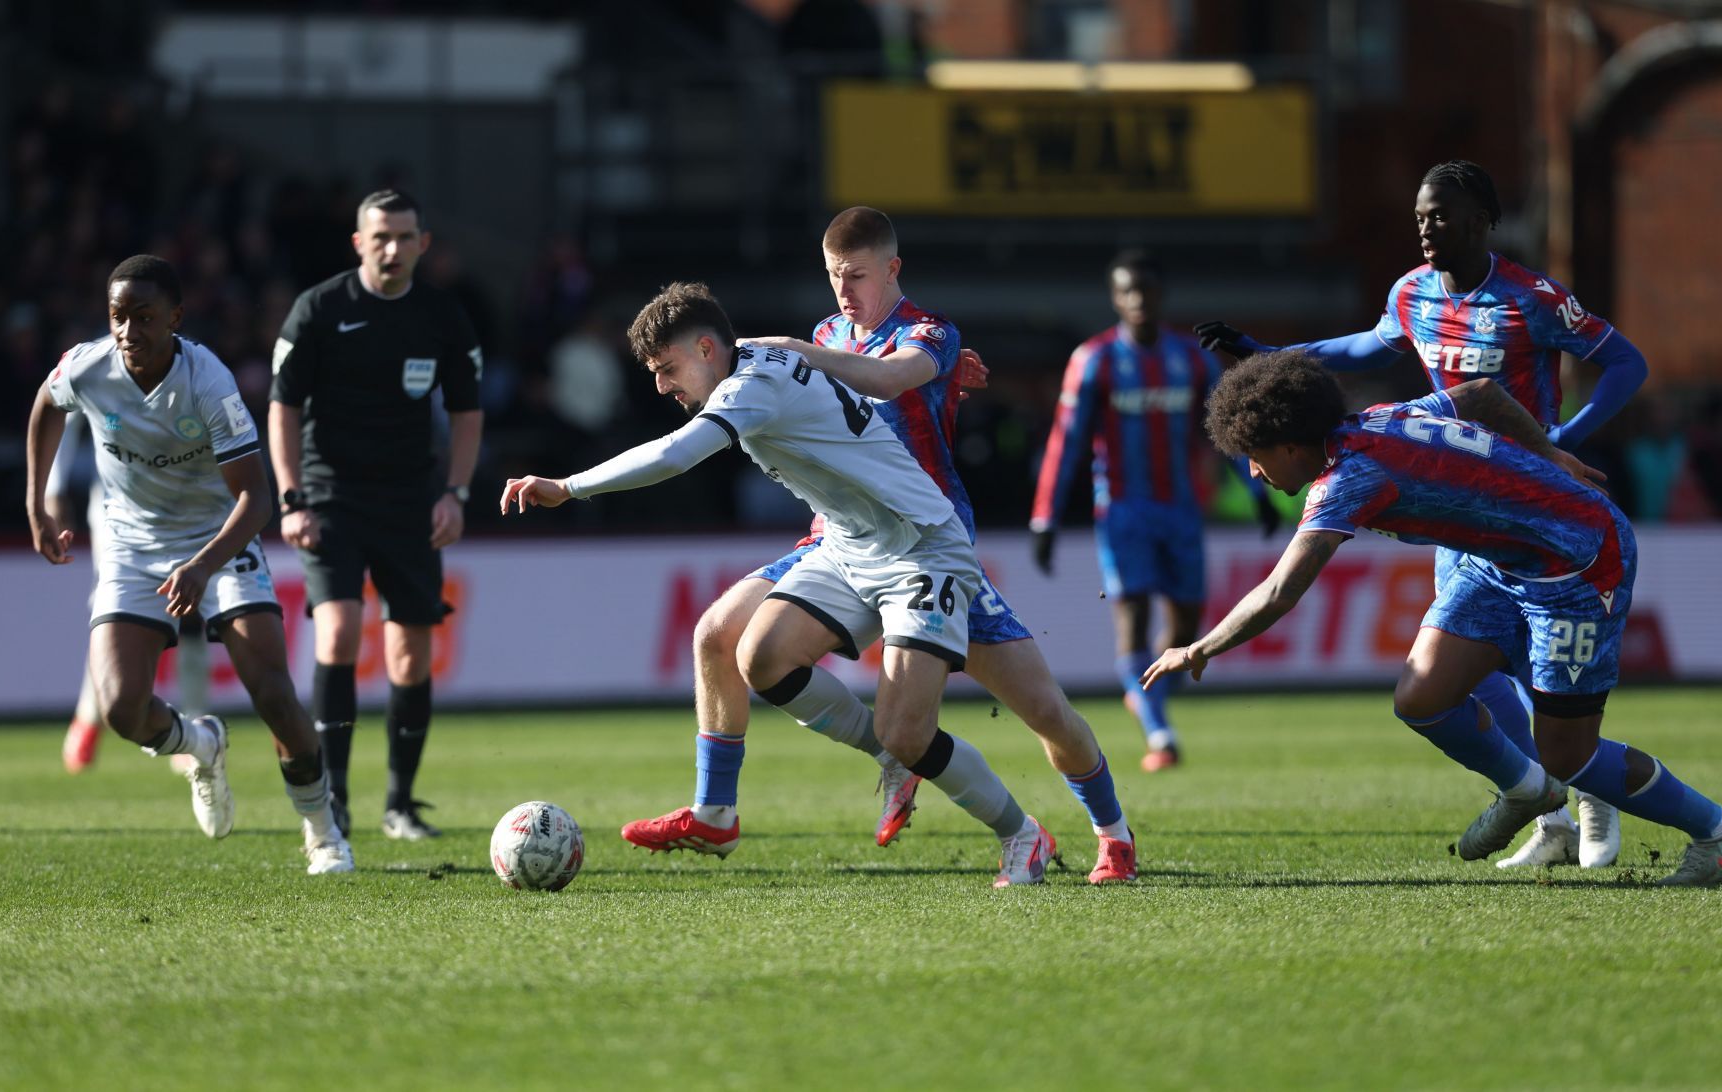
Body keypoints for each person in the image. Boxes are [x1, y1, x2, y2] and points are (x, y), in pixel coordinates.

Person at [620, 208, 1136, 885]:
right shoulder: (829, 333)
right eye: (834, 276)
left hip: (926, 545)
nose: (844, 291)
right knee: (723, 635)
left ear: (892, 269)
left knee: (1044, 711)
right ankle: (718, 811)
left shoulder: (930, 333)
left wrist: (806, 351)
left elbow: (891, 379)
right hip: (841, 537)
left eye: (857, 275)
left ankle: (1113, 834)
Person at [505, 282, 1060, 887]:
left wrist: (568, 486)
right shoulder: (747, 357)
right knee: (758, 656)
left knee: (906, 731)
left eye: (668, 369)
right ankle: (734, 808)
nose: (663, 387)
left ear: (708, 348)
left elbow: (673, 457)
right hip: (850, 543)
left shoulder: (750, 388)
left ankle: (1022, 834)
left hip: (922, 547)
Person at [1141, 351, 1722, 886]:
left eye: (1255, 456)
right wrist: (1549, 453)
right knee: (1422, 696)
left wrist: (1198, 649)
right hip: (1499, 564)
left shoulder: (1348, 477)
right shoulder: (1383, 417)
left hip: (1578, 564)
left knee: (1570, 752)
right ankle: (1528, 790)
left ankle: (1719, 830)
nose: (1253, 471)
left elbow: (1280, 591)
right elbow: (1479, 394)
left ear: (1291, 445)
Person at [1194, 159, 1650, 869]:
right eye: (1419, 217)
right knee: (1467, 664)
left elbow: (1627, 363)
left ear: (1480, 219)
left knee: (1535, 664)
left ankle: (1589, 795)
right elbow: (1362, 347)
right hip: (1453, 504)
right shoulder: (1411, 293)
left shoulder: (1532, 297)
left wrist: (1560, 442)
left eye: (1438, 214)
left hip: (1532, 507)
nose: (1425, 227)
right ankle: (1551, 813)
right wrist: (1267, 354)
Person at [25, 255, 352, 874]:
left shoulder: (209, 382)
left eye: (144, 318)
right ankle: (199, 744)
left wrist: (202, 566)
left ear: (174, 318)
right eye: (119, 317)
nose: (128, 331)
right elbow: (46, 404)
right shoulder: (89, 365)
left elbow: (257, 499)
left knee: (276, 697)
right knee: (122, 707)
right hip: (131, 546)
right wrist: (37, 505)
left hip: (218, 541)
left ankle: (323, 830)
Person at [269, 189, 483, 842]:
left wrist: (456, 493)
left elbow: (466, 411)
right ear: (359, 243)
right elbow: (283, 407)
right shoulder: (319, 309)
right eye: (380, 237)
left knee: (410, 657)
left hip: (411, 502)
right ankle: (331, 801)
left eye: (405, 236)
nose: (392, 248)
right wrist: (290, 497)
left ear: (424, 242)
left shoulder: (442, 316)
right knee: (336, 635)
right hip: (331, 497)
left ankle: (400, 803)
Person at [1032, 250, 1280, 772]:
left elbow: (1225, 435)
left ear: (1160, 295)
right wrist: (1045, 516)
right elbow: (1066, 442)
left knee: (1187, 627)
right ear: (1115, 297)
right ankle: (1159, 732)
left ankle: (1145, 695)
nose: (1138, 300)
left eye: (1146, 290)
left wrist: (1258, 494)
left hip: (1182, 511)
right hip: (1123, 512)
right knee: (1134, 614)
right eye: (1128, 291)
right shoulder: (1095, 359)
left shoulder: (1190, 359)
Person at [49, 410, 212, 774]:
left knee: (190, 606)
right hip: (115, 506)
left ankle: (194, 721)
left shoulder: (190, 361)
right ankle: (88, 715)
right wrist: (53, 488)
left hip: (180, 501)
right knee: (113, 609)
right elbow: (59, 410)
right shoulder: (98, 359)